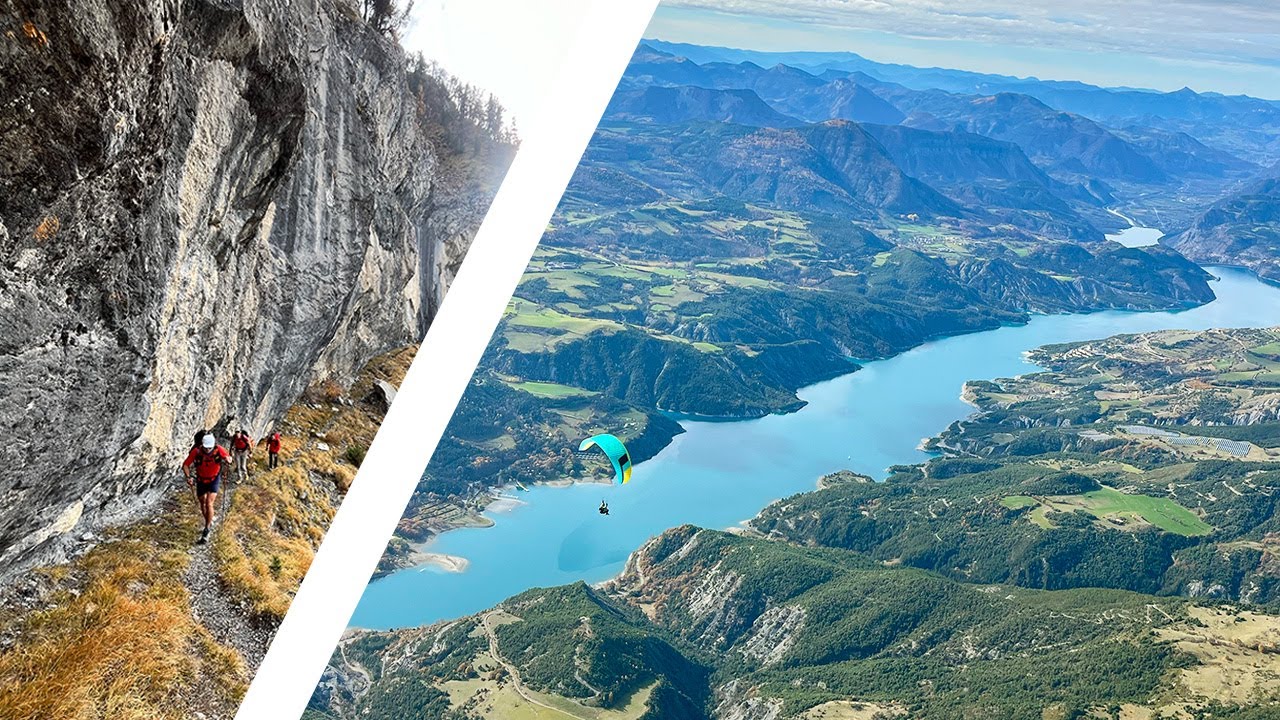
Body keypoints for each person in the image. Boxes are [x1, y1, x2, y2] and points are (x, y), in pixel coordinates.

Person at [183, 433, 230, 543]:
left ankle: (207, 528)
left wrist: (228, 459)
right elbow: (185, 465)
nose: (208, 450)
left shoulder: (218, 449)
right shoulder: (196, 451)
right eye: (206, 447)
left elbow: (227, 457)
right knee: (202, 502)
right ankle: (208, 520)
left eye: (209, 448)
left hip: (214, 479)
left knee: (209, 503)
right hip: (201, 480)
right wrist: (188, 477)